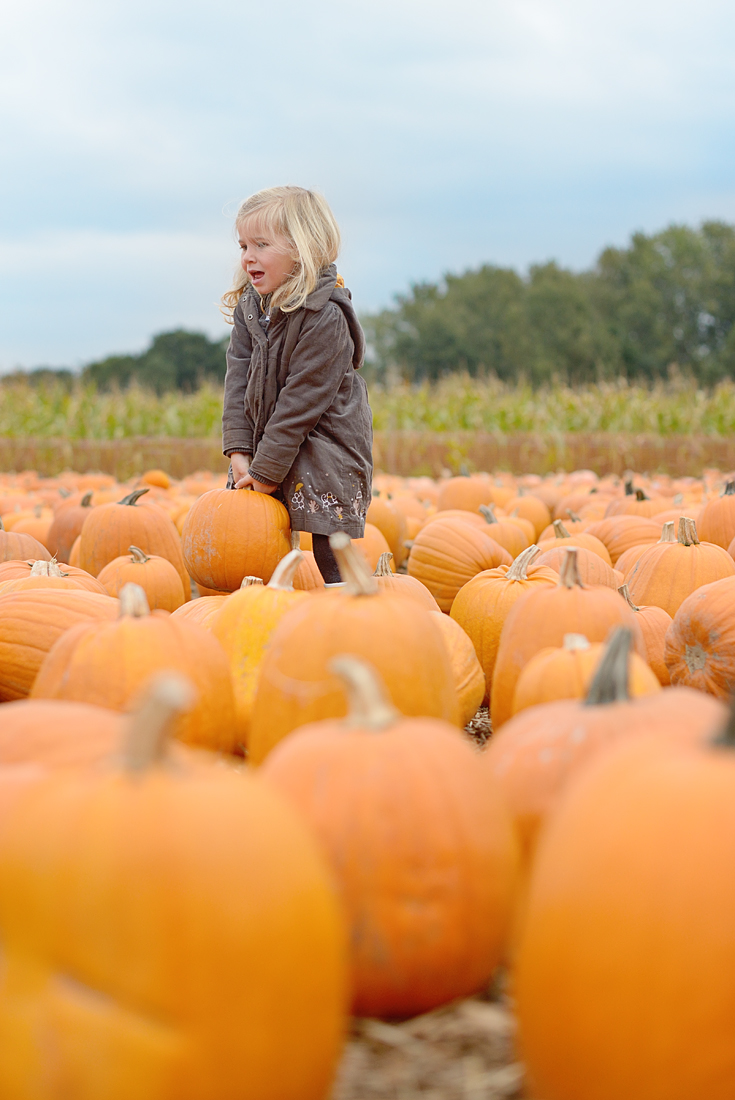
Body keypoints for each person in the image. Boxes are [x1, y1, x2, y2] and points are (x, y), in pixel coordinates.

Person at [221, 186, 373, 585]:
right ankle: (267, 605)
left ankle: (347, 600)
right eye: (243, 245)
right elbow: (237, 380)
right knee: (251, 532)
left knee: (328, 535)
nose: (248, 256)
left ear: (303, 248)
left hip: (325, 441)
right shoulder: (251, 309)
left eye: (261, 244)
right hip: (268, 439)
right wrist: (239, 449)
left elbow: (300, 403)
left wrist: (266, 470)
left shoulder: (326, 317)